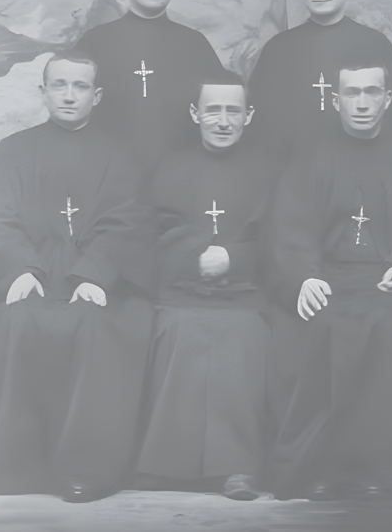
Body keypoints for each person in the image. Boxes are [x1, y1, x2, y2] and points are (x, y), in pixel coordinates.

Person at [266, 62, 392, 500]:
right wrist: (302, 277)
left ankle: (385, 463)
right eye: (352, 93)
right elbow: (290, 231)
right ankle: (325, 466)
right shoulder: (310, 160)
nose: (361, 102)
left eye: (371, 92)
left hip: (390, 286)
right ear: (336, 100)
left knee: (384, 325)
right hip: (328, 283)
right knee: (324, 326)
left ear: (387, 99)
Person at [0, 51, 154, 501]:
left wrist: (94, 275)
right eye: (60, 85)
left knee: (93, 326)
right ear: (43, 92)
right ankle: (19, 464)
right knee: (23, 319)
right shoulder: (14, 150)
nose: (69, 95)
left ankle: (84, 468)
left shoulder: (121, 154)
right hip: (37, 275)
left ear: (97, 95)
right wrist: (20, 270)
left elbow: (127, 221)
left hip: (98, 284)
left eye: (80, 86)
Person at [135, 77, 272, 500]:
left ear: (249, 116)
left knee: (243, 335)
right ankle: (167, 466)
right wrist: (196, 252)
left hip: (246, 293)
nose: (223, 121)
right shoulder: (171, 168)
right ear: (196, 114)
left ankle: (237, 467)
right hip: (183, 288)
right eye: (213, 110)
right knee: (178, 329)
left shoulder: (270, 170)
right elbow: (154, 229)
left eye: (234, 111)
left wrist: (233, 258)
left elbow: (282, 236)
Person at [248, 0, 392, 171]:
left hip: (360, 174)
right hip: (292, 177)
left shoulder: (376, 45)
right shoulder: (277, 49)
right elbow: (256, 131)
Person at [77, 0, 228, 176]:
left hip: (180, 179)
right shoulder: (94, 41)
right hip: (106, 179)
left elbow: (220, 114)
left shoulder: (195, 44)